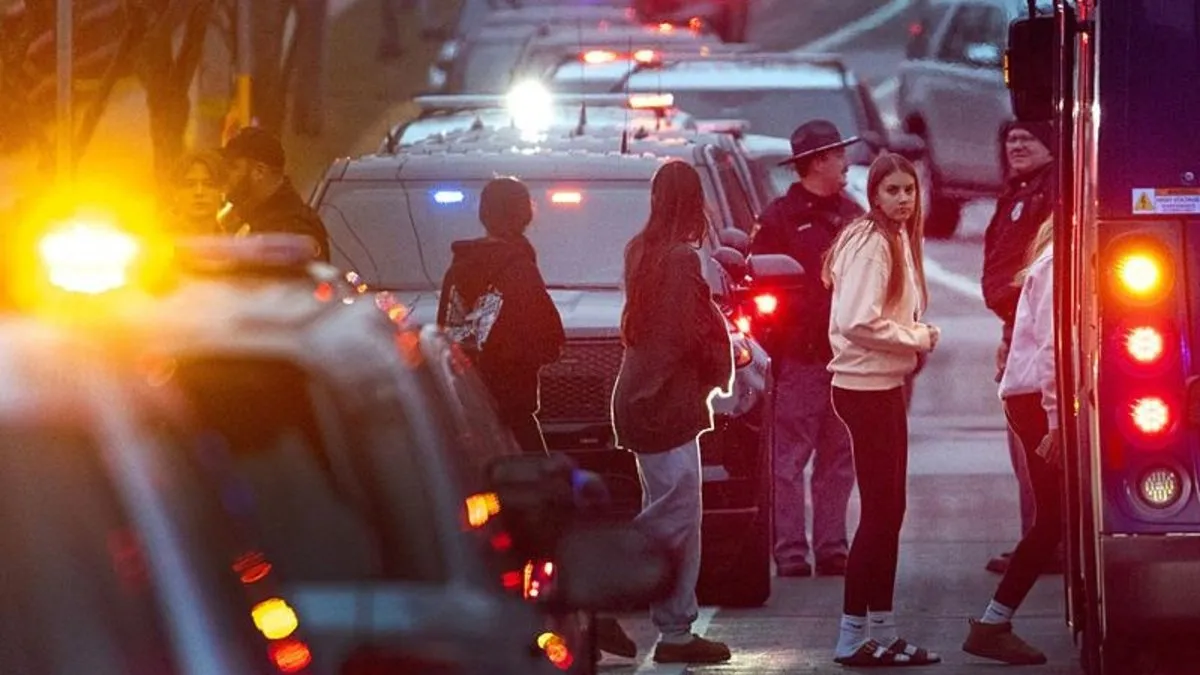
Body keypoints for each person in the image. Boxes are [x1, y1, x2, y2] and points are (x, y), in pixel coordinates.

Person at [610, 160, 733, 665]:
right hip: (665, 401)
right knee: (678, 513)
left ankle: (677, 626)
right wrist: (718, 356)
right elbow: (684, 333)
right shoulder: (681, 259)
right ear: (694, 200)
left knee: (678, 511)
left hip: (644, 396)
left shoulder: (641, 250)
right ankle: (596, 582)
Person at [823, 153, 941, 667]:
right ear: (874, 195)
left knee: (890, 512)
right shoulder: (871, 243)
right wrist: (917, 337)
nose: (901, 199)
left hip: (881, 384)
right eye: (891, 190)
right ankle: (852, 636)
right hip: (865, 387)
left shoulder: (893, 239)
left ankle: (883, 631)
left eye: (908, 190)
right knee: (879, 515)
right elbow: (856, 320)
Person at [750, 119, 864, 578]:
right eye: (838, 156)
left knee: (839, 459)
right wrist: (779, 344)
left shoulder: (854, 217)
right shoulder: (778, 219)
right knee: (789, 460)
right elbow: (758, 288)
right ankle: (791, 550)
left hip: (847, 360)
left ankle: (832, 546)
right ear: (817, 162)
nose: (845, 163)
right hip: (799, 360)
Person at [963, 216, 1057, 665]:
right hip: (1037, 400)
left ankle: (994, 622)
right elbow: (1052, 350)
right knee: (1054, 517)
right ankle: (993, 623)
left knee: (1058, 516)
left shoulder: (1048, 261)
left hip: (1034, 399)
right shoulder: (1058, 265)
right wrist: (1056, 422)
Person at [436, 177, 565, 454]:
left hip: (464, 409)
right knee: (536, 488)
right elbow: (549, 338)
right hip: (512, 412)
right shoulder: (520, 270)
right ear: (524, 216)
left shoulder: (456, 270)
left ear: (484, 214)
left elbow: (443, 333)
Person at [980, 119, 1057, 575]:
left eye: (1027, 138)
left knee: (1033, 440)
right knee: (1022, 445)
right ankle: (1037, 536)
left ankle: (1043, 541)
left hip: (1034, 323)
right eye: (1010, 139)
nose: (1017, 146)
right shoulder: (1018, 190)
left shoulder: (1049, 192)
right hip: (1016, 322)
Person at [220, 126, 331, 260]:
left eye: (233, 167)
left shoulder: (294, 231)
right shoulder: (249, 221)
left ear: (259, 171)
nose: (225, 175)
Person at [168, 151, 227, 236]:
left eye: (208, 184)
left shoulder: (238, 244)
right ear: (175, 192)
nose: (199, 192)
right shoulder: (156, 245)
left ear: (222, 190)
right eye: (190, 185)